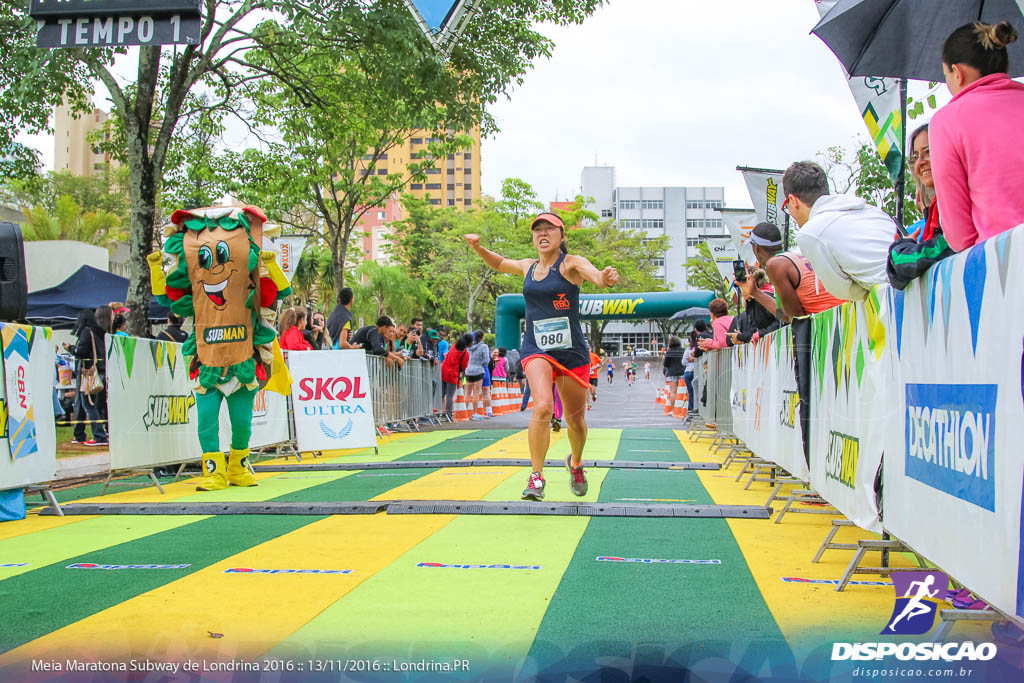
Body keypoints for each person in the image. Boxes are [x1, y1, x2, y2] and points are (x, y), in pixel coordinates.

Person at [466, 212, 618, 500]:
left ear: (562, 235)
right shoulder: (527, 266)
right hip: (536, 348)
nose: (543, 234)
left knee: (575, 421)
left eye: (550, 229)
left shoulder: (571, 263)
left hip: (572, 352)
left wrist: (606, 278)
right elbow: (499, 263)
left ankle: (576, 463)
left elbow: (596, 277)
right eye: (538, 230)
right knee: (543, 406)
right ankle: (536, 476)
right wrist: (478, 248)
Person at [741, 222, 844, 467]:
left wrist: (756, 295)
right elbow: (786, 313)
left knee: (811, 408)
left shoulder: (776, 265)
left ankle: (814, 475)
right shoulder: (795, 257)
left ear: (756, 250)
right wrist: (755, 294)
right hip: (836, 329)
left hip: (825, 336)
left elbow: (792, 317)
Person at [931, 21, 1024, 251]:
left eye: (946, 76)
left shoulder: (946, 121)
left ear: (957, 73)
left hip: (1008, 266)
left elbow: (960, 237)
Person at [783, 161, 894, 301]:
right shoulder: (869, 209)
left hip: (896, 296)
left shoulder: (810, 233)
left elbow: (843, 291)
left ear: (792, 200)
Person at [887, 125, 957, 289]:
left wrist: (901, 250)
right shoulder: (935, 211)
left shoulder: (956, 201)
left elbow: (943, 248)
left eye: (928, 152)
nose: (921, 162)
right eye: (916, 156)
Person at [63, 308, 108, 446]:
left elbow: (81, 351)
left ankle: (98, 436)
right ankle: (96, 434)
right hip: (100, 370)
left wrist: (70, 348)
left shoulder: (86, 332)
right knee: (94, 404)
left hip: (88, 372)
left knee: (88, 404)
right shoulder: (99, 332)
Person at [440, 334, 469, 418]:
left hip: (444, 370)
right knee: (450, 395)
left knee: (443, 394)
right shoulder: (464, 353)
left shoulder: (453, 346)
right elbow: (464, 366)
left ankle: (443, 412)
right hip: (453, 374)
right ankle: (449, 415)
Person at [464, 330, 490, 420]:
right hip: (478, 370)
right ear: (482, 337)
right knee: (476, 393)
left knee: (467, 393)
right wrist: (480, 365)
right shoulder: (484, 346)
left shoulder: (469, 347)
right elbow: (486, 360)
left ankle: (464, 412)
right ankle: (474, 413)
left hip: (468, 370)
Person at [662, 336, 687, 417]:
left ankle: (674, 410)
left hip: (672, 373)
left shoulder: (669, 352)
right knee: (683, 392)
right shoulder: (683, 350)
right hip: (683, 373)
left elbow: (666, 364)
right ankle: (683, 410)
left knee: (673, 392)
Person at [683, 333, 697, 412]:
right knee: (698, 392)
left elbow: (683, 362)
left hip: (688, 371)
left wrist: (690, 361)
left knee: (691, 392)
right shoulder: (699, 348)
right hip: (698, 372)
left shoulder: (688, 349)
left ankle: (691, 410)